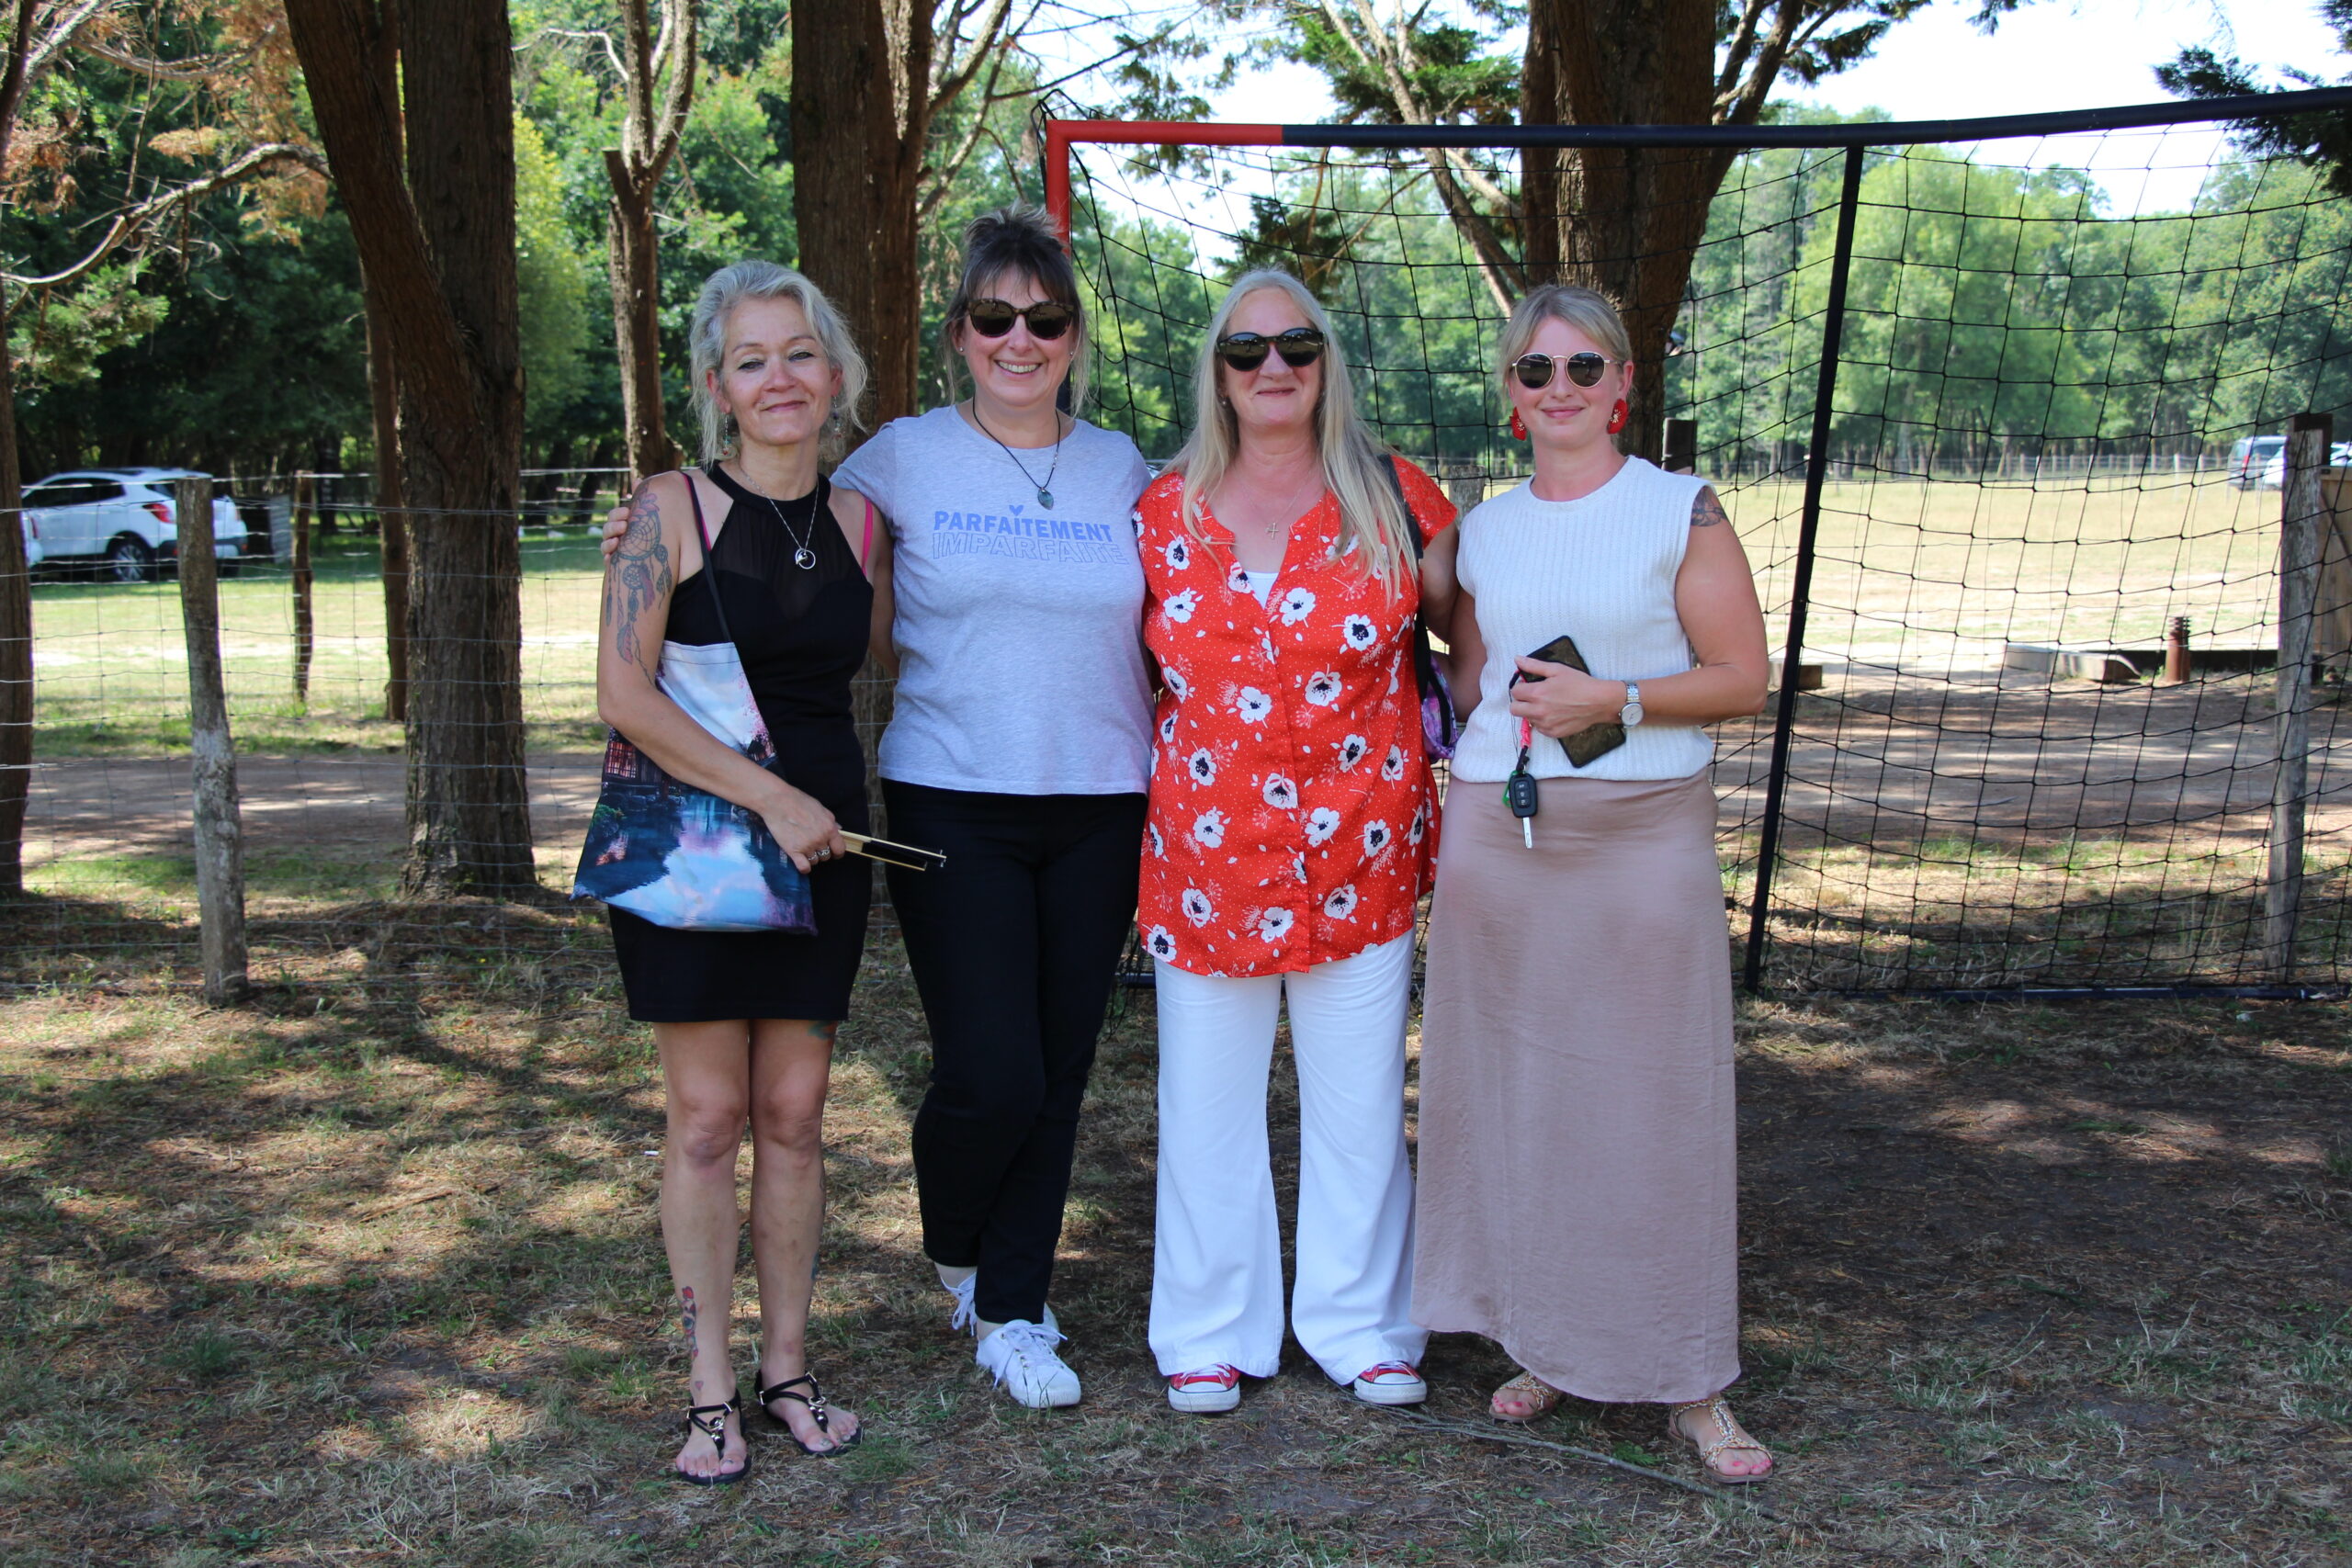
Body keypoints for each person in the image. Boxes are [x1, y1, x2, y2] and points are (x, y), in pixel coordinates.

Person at [1410, 284, 1777, 1483]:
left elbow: (1742, 676)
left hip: (1640, 831)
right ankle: (1548, 1339)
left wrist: (1613, 698)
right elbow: (1476, 684)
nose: (1558, 387)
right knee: (1521, 1092)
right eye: (1535, 370)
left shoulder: (1681, 508)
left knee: (1654, 1098)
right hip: (1500, 833)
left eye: (1582, 367)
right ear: (1509, 394)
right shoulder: (1483, 530)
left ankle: (1690, 1377)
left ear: (1623, 382)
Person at [830, 206, 1154, 1408]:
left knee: (1059, 1069)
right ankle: (958, 1243)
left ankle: (1013, 1307)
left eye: (1046, 319)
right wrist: (654, 522)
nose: (1021, 339)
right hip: (949, 797)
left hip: (1101, 800)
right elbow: (797, 550)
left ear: (1073, 338)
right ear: (958, 333)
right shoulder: (899, 458)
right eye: (994, 316)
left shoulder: (1125, 467)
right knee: (991, 1072)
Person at [1136, 269, 1458, 1416]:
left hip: (1360, 857)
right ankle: (1207, 1332)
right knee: (1205, 1110)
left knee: (1361, 1108)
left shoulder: (1399, 497)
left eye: (1296, 345)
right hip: (1206, 867)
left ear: (1327, 360)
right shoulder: (1158, 510)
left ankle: (1362, 1326)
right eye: (1246, 349)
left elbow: (1467, 645)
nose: (1272, 367)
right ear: (1216, 372)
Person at [594, 261, 880, 1483]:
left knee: (797, 1117)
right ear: (717, 387)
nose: (780, 378)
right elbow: (623, 695)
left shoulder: (863, 522)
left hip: (826, 850)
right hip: (696, 854)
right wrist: (770, 798)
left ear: (836, 372)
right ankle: (710, 1386)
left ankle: (789, 1370)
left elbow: (879, 659)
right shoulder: (667, 510)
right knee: (709, 1119)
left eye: (800, 353)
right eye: (752, 359)